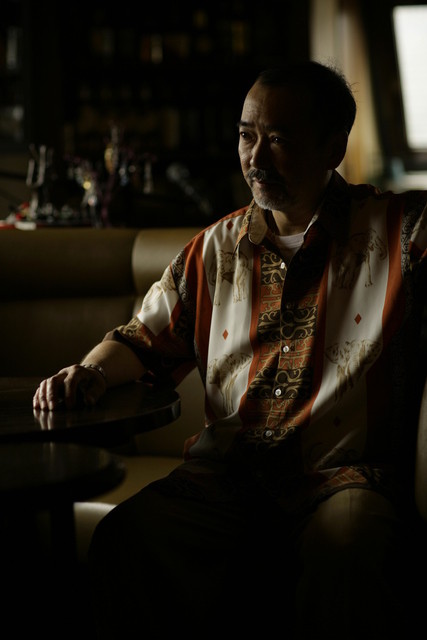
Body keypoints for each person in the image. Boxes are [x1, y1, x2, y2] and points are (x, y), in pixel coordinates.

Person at [33, 60, 427, 639]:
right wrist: (88, 371)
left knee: (349, 549)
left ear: (334, 148)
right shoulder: (214, 249)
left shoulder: (402, 233)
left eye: (279, 140)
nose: (256, 159)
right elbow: (140, 342)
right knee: (128, 536)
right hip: (227, 480)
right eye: (247, 136)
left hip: (342, 479)